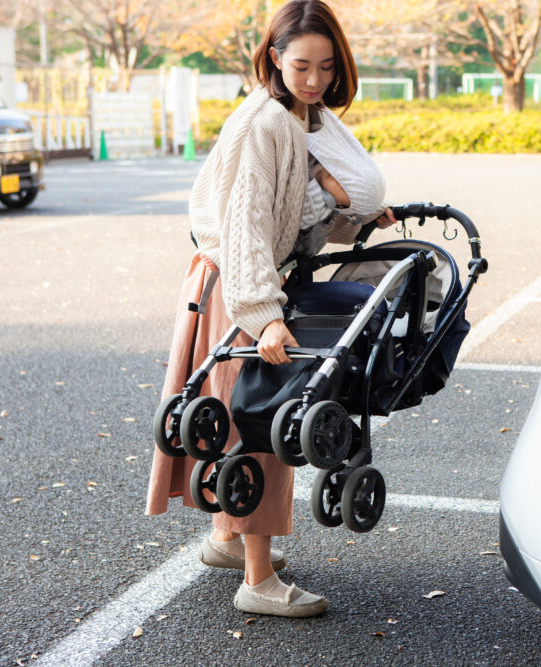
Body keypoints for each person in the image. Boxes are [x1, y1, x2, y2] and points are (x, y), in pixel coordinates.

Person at [145, 0, 393, 618]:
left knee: (238, 418)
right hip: (237, 284)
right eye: (302, 65)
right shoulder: (266, 124)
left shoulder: (298, 118)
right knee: (261, 422)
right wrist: (263, 314)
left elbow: (292, 214)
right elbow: (248, 228)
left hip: (234, 282)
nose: (315, 80)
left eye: (327, 68)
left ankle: (228, 540)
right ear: (275, 58)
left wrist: (353, 219)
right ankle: (258, 582)